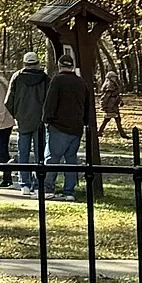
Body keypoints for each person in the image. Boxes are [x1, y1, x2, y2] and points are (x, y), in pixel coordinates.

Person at [42, 48, 89, 201]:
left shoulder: (57, 80)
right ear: (72, 66)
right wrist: (84, 122)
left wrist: (46, 119)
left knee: (52, 158)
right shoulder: (81, 82)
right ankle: (69, 191)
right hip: (76, 127)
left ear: (59, 65)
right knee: (71, 159)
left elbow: (50, 102)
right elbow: (87, 105)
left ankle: (48, 188)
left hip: (58, 125)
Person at [6, 50, 49, 193]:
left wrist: (17, 114)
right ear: (37, 63)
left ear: (24, 63)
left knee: (22, 152)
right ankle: (38, 184)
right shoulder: (44, 78)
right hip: (40, 120)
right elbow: (49, 100)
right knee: (40, 154)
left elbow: (8, 100)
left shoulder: (17, 77)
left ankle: (24, 183)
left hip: (23, 119)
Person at [98, 69, 125, 137]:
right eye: (114, 77)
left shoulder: (114, 84)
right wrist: (104, 105)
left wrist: (120, 101)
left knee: (116, 120)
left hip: (114, 104)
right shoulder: (110, 85)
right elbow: (106, 97)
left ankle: (122, 134)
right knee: (109, 119)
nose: (115, 78)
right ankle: (99, 132)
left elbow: (117, 94)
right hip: (111, 105)